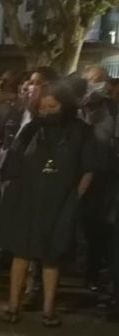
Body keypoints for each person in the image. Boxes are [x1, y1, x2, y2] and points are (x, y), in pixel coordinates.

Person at [0, 80, 95, 327]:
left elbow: (89, 168)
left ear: (64, 105)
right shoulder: (31, 129)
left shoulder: (80, 130)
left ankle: (48, 309)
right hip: (26, 198)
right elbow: (13, 161)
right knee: (22, 252)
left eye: (52, 106)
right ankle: (12, 305)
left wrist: (76, 197)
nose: (46, 112)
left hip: (60, 200)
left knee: (52, 255)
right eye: (42, 107)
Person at [79, 65, 117, 294]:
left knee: (106, 229)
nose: (101, 84)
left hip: (110, 176)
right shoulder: (82, 107)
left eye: (103, 80)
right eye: (96, 80)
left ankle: (101, 273)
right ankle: (89, 272)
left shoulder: (113, 108)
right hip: (87, 176)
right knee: (89, 229)